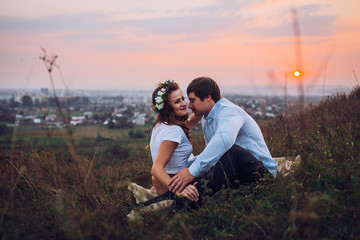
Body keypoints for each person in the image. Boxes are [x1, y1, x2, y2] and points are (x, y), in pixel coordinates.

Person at [168, 76, 278, 195]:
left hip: (260, 172)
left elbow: (224, 141)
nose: (189, 105)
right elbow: (213, 156)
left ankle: (179, 205)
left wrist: (191, 172)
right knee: (195, 180)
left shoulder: (229, 112)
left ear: (208, 97)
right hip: (235, 170)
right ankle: (161, 202)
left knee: (231, 152)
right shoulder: (206, 116)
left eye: (193, 100)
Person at [147, 80, 199, 202]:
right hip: (178, 185)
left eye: (182, 98)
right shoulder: (174, 131)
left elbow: (188, 123)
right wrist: (180, 191)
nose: (183, 103)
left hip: (167, 184)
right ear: (167, 108)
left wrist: (203, 108)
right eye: (177, 101)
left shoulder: (160, 126)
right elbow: (156, 168)